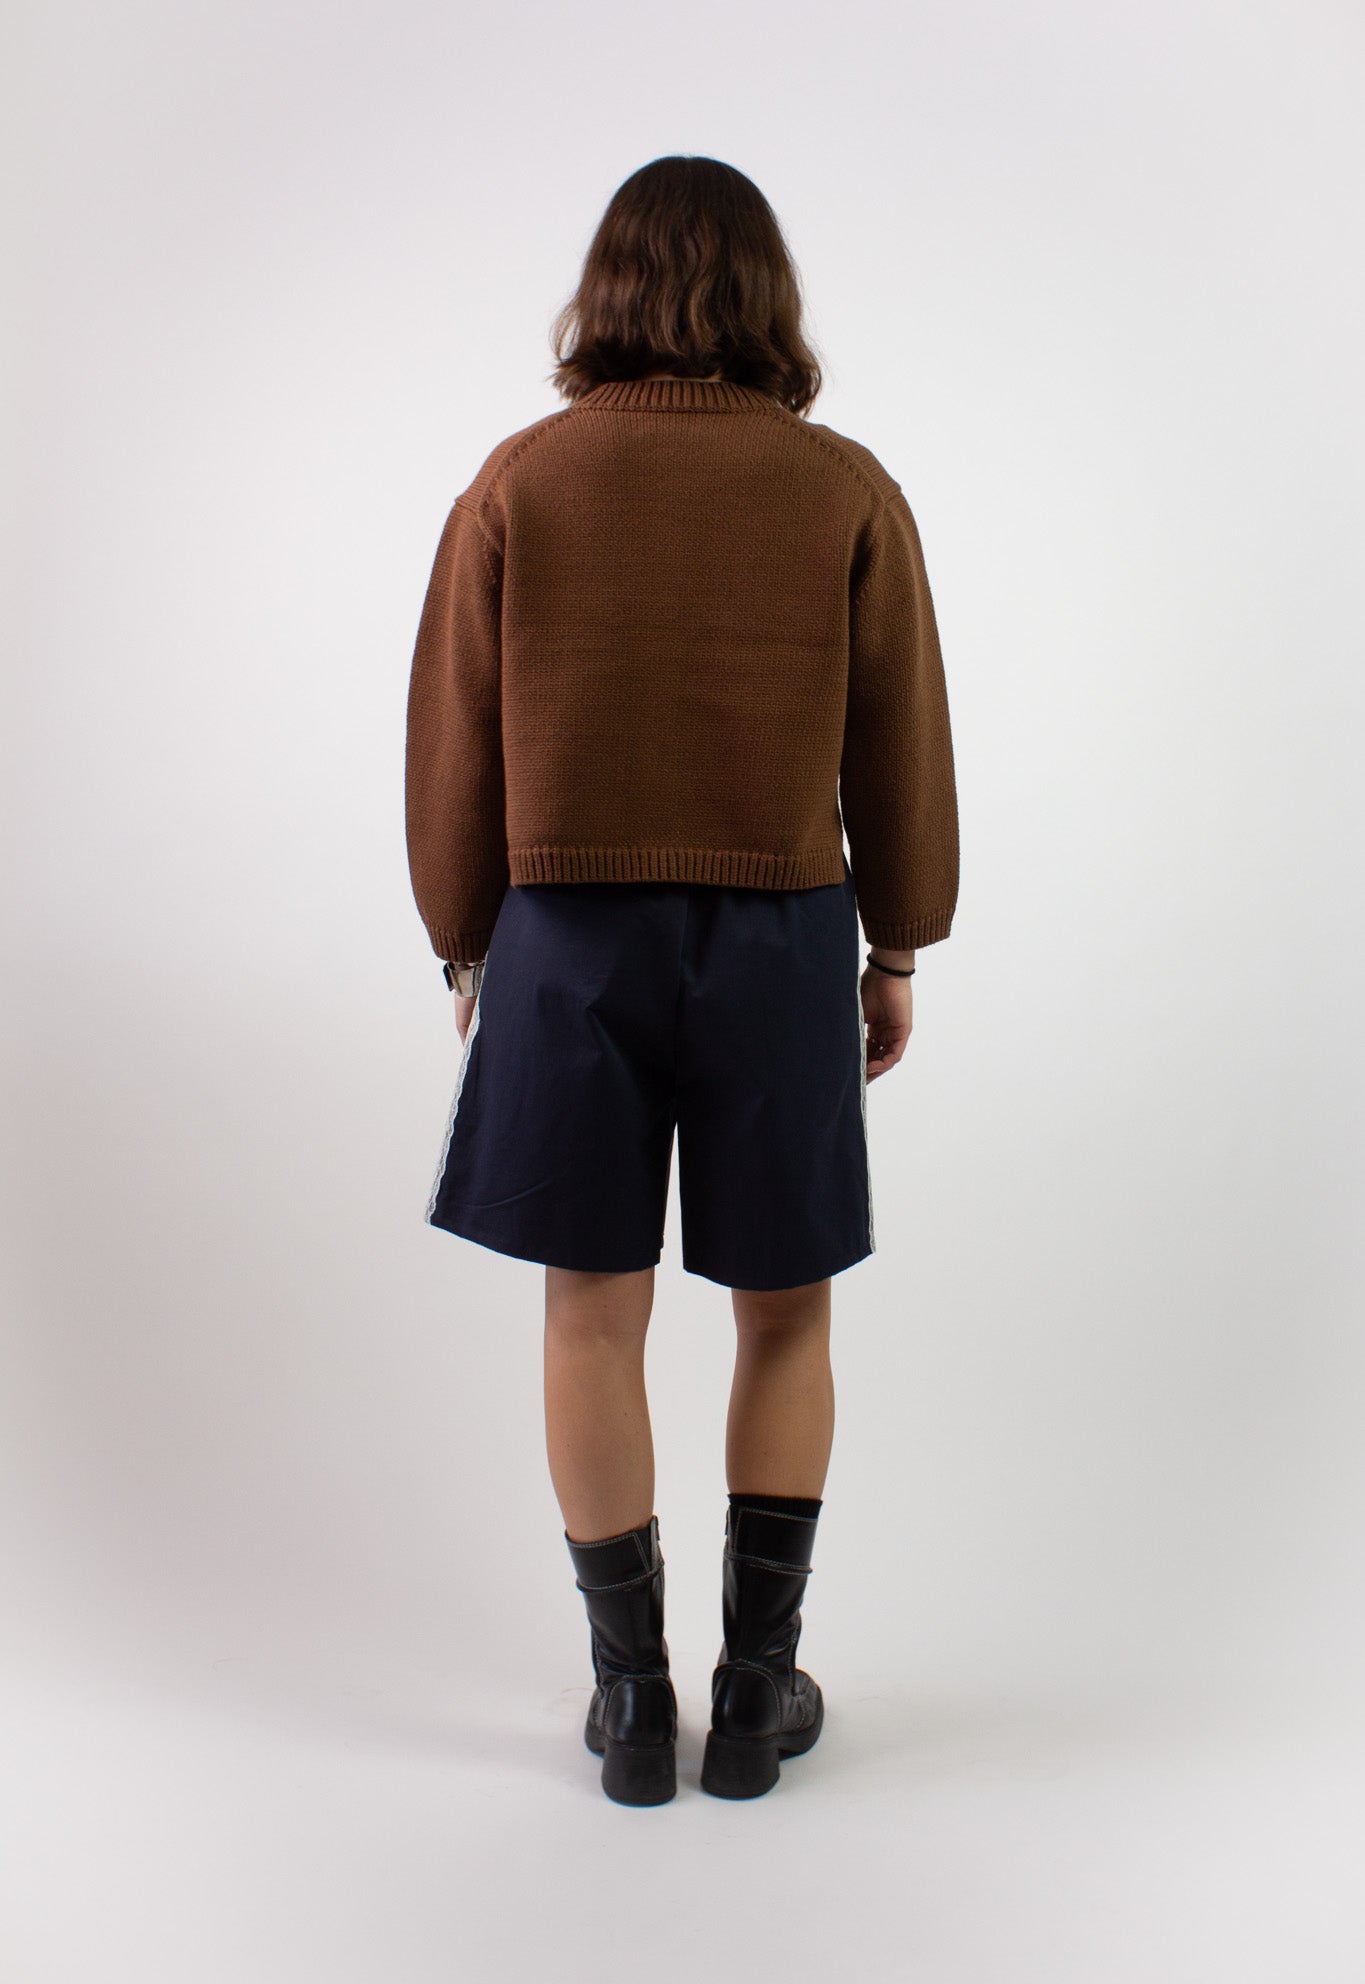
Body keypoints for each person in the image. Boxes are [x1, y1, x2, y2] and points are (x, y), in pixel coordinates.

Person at [404, 154, 959, 1806]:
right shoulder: (840, 487)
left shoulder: (523, 481)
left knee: (590, 1311)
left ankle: (633, 1703)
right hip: (778, 935)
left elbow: (457, 732)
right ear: (767, 296)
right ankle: (757, 1690)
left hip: (566, 941)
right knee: (784, 1310)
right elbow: (900, 738)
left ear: (610, 290)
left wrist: (463, 933)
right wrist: (896, 941)